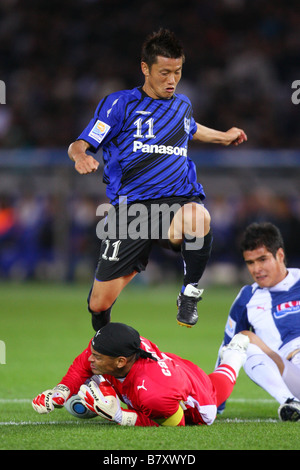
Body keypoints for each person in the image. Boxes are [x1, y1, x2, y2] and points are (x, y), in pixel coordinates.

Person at [67, 29, 247, 330]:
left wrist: (224, 137)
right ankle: (102, 355)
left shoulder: (182, 105)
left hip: (174, 204)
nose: (171, 80)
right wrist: (81, 156)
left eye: (177, 72)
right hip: (131, 212)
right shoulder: (120, 105)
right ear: (145, 68)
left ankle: (189, 293)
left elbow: (192, 127)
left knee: (198, 215)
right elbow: (80, 143)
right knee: (98, 303)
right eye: (164, 72)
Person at [32, 322, 249, 427]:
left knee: (222, 379)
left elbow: (177, 424)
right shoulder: (119, 348)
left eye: (97, 356)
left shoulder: (154, 392)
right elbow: (81, 367)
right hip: (173, 369)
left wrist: (120, 415)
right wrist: (60, 392)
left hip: (194, 400)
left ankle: (234, 355)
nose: (91, 359)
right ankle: (231, 356)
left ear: (120, 361)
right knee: (94, 382)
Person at [217, 222, 300, 421]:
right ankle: (291, 403)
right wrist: (215, 402)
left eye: (262, 259)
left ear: (279, 255)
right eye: (250, 262)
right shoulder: (247, 298)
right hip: (291, 374)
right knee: (243, 341)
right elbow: (227, 348)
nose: (257, 269)